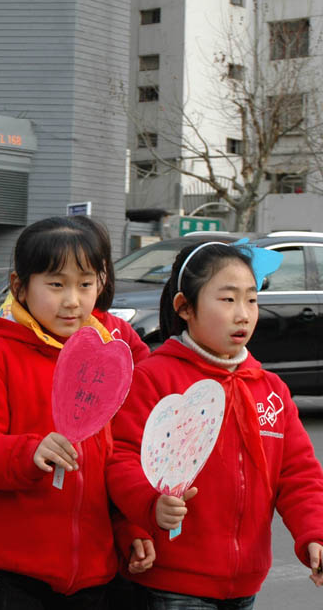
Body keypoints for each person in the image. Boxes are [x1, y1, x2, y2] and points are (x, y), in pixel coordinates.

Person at [0, 217, 155, 609]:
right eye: (56, 284)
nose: (72, 300)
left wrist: (130, 526)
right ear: (19, 286)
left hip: (93, 570)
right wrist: (27, 453)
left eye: (86, 284)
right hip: (5, 569)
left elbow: (121, 458)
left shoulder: (108, 358)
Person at [107, 241, 323, 608]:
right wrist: (150, 504)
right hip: (169, 582)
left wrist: (313, 534)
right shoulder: (152, 378)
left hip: (245, 585)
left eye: (252, 300)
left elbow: (298, 473)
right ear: (185, 307)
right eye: (228, 300)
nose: (244, 314)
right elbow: (120, 458)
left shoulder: (270, 389)